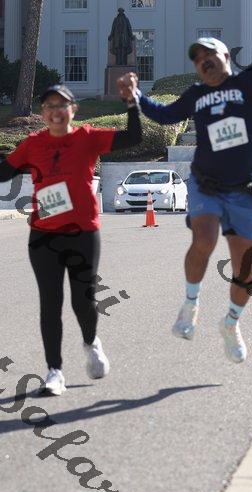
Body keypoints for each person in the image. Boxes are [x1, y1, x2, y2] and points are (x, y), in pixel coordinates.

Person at [117, 3, 252, 364]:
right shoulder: (195, 94)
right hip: (206, 183)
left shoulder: (250, 81)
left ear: (226, 57)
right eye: (197, 59)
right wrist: (136, 96)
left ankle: (231, 323)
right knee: (204, 238)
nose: (203, 62)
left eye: (209, 55)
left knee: (246, 271)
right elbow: (166, 114)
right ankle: (191, 304)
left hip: (243, 191)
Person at [0, 83, 142, 395]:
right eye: (49, 106)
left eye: (62, 105)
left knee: (83, 301)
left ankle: (91, 342)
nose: (56, 111)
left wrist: (132, 103)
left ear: (73, 110)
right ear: (42, 113)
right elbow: (3, 172)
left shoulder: (87, 138)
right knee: (50, 303)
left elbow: (134, 138)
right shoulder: (32, 145)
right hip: (44, 237)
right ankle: (54, 371)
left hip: (83, 234)